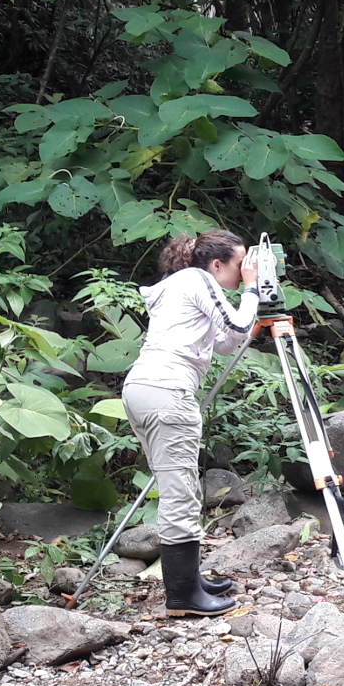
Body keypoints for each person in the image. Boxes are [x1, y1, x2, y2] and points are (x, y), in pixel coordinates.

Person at [122, 229, 259, 617]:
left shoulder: (178, 285)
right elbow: (236, 326)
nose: (243, 270)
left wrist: (252, 300)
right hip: (168, 392)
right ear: (217, 265)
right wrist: (251, 291)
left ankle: (191, 582)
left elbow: (225, 342)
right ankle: (182, 597)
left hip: (146, 388)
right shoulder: (198, 279)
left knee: (179, 486)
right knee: (180, 493)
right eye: (239, 263)